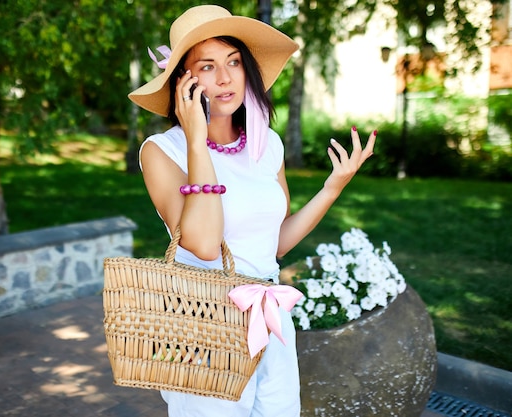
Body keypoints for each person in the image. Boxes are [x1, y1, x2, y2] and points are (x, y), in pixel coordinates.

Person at [128, 5, 376, 417]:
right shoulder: (162, 152)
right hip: (206, 328)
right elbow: (205, 246)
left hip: (271, 320)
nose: (225, 78)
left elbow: (273, 245)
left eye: (234, 62)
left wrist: (333, 187)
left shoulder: (267, 145)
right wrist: (196, 139)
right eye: (206, 67)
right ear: (183, 82)